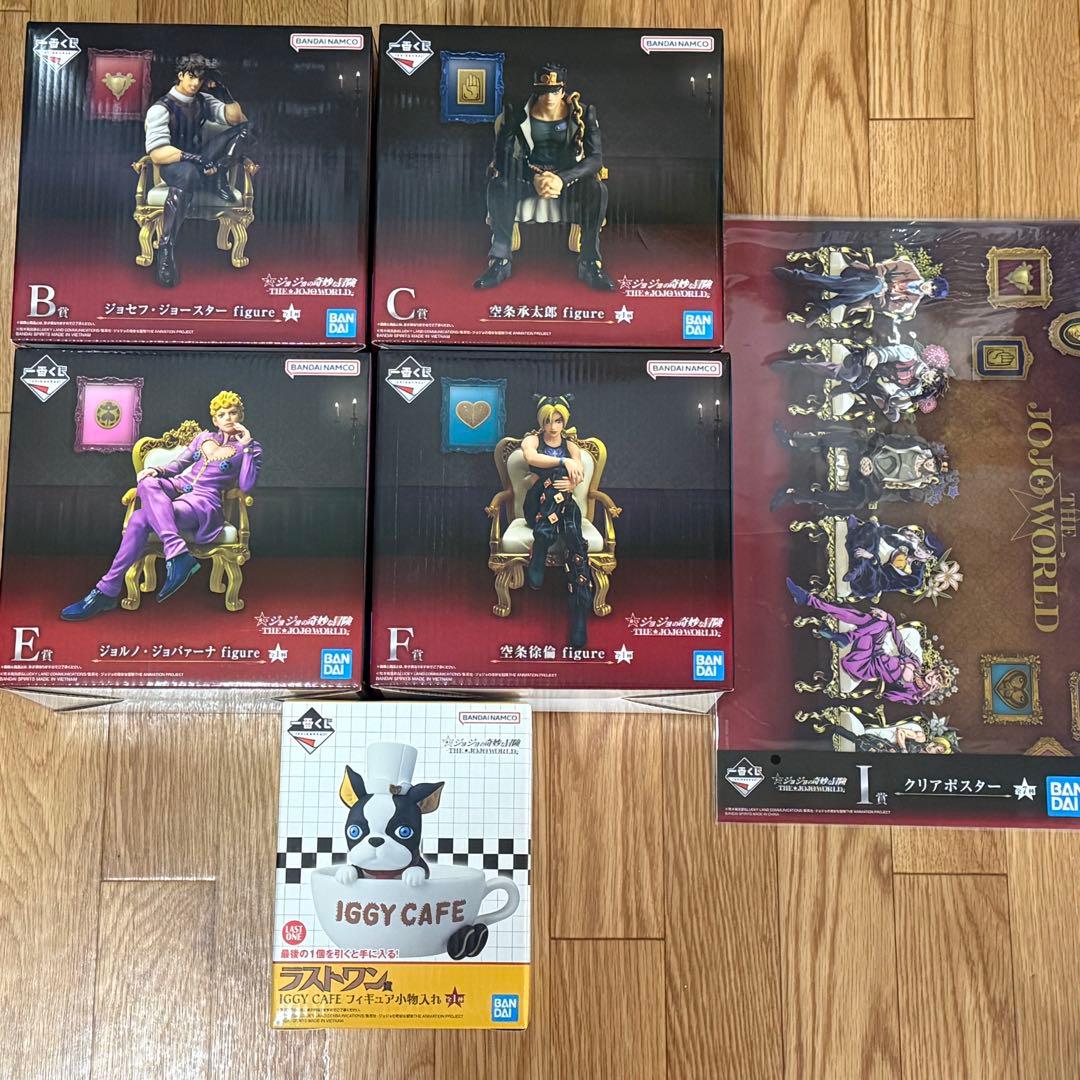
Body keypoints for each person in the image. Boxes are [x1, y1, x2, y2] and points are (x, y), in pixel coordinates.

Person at [60, 391, 261, 620]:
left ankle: (106, 591)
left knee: (139, 519)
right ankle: (177, 553)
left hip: (204, 503)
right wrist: (157, 470)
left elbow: (246, 485)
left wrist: (247, 447)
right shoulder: (203, 438)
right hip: (178, 486)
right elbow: (179, 464)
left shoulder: (250, 448)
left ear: (240, 416)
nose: (228, 418)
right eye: (222, 414)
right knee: (147, 481)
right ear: (215, 419)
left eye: (233, 412)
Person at [475, 63, 614, 292]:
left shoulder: (583, 112)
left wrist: (562, 178)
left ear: (563, 89)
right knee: (499, 185)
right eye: (543, 91)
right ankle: (500, 261)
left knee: (597, 189)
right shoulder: (516, 111)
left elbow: (595, 159)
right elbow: (502, 157)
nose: (549, 97)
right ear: (535, 90)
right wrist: (532, 177)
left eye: (555, 91)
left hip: (567, 180)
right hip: (528, 176)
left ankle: (590, 262)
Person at [144, 53, 252, 287]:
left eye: (200, 79)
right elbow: (157, 154)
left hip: (204, 160)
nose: (195, 83)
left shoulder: (203, 100)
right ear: (180, 75)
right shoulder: (161, 108)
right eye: (191, 77)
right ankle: (166, 249)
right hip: (175, 165)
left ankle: (219, 173)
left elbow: (238, 120)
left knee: (246, 129)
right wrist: (195, 159)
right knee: (189, 173)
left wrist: (224, 93)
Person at [785, 578, 956, 705]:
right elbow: (899, 643)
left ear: (936, 686)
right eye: (936, 672)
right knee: (878, 622)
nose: (933, 676)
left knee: (866, 621)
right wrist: (890, 619)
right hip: (876, 650)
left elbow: (888, 696)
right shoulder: (916, 662)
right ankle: (810, 601)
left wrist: (918, 693)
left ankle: (814, 606)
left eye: (937, 679)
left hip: (865, 665)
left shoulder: (913, 694)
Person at [520, 395, 595, 649]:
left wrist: (573, 482)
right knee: (555, 476)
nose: (553, 427)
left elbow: (579, 475)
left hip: (563, 507)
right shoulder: (533, 440)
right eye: (548, 421)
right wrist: (564, 463)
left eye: (558, 421)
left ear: (565, 421)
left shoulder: (571, 446)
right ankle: (542, 539)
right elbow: (532, 458)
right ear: (541, 421)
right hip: (536, 508)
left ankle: (578, 615)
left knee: (573, 532)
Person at [771, 424, 958, 513]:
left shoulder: (916, 487)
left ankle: (794, 494)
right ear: (933, 456)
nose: (931, 465)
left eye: (934, 468)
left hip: (869, 479)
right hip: (869, 451)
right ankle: (795, 442)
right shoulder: (916, 446)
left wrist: (868, 476)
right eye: (934, 461)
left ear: (933, 474)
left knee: (856, 501)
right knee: (852, 438)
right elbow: (886, 438)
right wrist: (870, 454)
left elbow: (883, 494)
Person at [776, 252, 948, 322]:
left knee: (866, 291)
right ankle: (825, 306)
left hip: (862, 297)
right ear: (931, 280)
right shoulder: (908, 268)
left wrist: (880, 295)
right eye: (932, 285)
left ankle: (799, 277)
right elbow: (881, 267)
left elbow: (883, 306)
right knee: (876, 284)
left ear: (931, 296)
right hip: (861, 276)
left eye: (932, 292)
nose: (929, 289)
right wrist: (881, 284)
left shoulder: (910, 305)